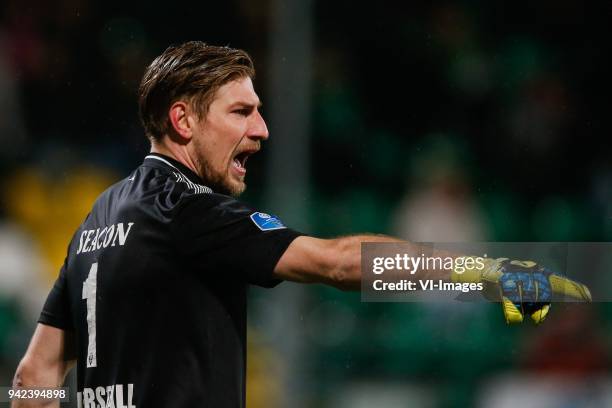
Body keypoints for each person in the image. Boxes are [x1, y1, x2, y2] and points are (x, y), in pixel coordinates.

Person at [11, 41, 591, 408]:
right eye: (242, 112)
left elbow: (34, 375)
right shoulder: (187, 210)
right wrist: (493, 275)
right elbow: (340, 264)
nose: (262, 129)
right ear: (182, 120)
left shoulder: (98, 217)